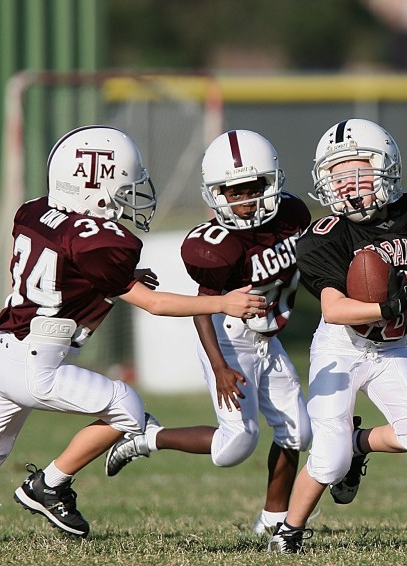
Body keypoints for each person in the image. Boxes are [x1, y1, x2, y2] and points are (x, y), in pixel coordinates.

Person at [0, 125, 266, 538]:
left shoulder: (34, 210)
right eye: (123, 188)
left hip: (6, 351)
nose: (129, 197)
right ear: (93, 187)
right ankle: (49, 483)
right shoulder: (95, 239)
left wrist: (123, 276)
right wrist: (222, 303)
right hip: (36, 362)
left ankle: (49, 484)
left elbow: (65, 268)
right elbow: (154, 304)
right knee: (127, 408)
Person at [268, 119, 407, 553]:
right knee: (327, 461)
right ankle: (288, 531)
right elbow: (333, 308)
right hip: (341, 347)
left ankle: (357, 442)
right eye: (337, 176)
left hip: (391, 348)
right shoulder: (324, 237)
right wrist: (385, 307)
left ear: (387, 167)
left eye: (358, 172)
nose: (348, 185)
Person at [103, 130, 313, 535]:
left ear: (271, 182)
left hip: (268, 338)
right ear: (216, 194)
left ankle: (272, 521)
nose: (245, 200)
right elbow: (205, 309)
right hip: (228, 339)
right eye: (233, 192)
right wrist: (218, 366)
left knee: (298, 433)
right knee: (234, 446)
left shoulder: (292, 216)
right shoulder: (216, 246)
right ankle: (149, 437)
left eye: (252, 188)